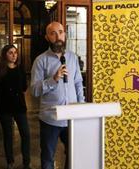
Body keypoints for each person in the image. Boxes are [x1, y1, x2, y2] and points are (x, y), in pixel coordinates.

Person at [30, 22, 85, 169]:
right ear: (47, 37)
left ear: (65, 35)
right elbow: (34, 90)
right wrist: (53, 79)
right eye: (53, 33)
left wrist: (81, 106)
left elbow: (78, 83)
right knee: (48, 158)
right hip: (50, 118)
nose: (58, 36)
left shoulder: (73, 58)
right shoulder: (40, 60)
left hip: (71, 117)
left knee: (74, 154)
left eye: (60, 32)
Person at [0, 45, 31, 169]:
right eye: (11, 53)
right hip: (4, 107)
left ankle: (26, 162)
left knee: (25, 134)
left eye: (15, 52)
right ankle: (10, 161)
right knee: (8, 135)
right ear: (5, 55)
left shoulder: (20, 69)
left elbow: (24, 87)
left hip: (19, 106)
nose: (14, 55)